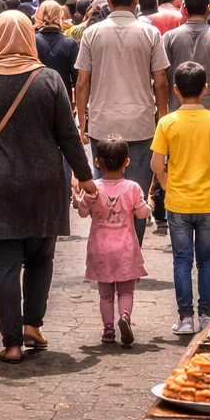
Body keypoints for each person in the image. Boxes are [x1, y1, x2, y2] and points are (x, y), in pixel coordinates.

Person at [0, 11, 96, 364]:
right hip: (44, 182)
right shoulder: (49, 80)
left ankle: (12, 343)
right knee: (40, 258)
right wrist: (84, 176)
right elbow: (68, 135)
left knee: (3, 266)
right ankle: (32, 324)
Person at [73, 0, 169, 246]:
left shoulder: (92, 33)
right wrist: (162, 118)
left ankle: (108, 250)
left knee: (104, 192)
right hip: (141, 124)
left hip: (102, 124)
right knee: (136, 192)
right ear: (136, 1)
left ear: (110, 1)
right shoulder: (150, 33)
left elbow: (82, 81)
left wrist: (82, 120)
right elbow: (160, 80)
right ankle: (132, 251)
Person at [152, 61, 210, 336]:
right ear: (205, 89)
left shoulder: (167, 122)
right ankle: (206, 316)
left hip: (178, 202)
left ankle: (185, 318)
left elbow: (155, 163)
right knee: (208, 260)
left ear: (175, 90)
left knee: (182, 260)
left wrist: (166, 184)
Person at [76, 136, 151, 346]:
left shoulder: (93, 188)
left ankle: (108, 330)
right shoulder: (133, 188)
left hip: (99, 249)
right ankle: (125, 317)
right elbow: (141, 213)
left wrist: (82, 202)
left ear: (97, 162)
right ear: (127, 162)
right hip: (126, 248)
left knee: (105, 295)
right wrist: (149, 206)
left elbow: (83, 213)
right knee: (126, 291)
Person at [161, 0, 210, 113]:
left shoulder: (169, 37)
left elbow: (161, 75)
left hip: (177, 108)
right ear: (208, 9)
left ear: (185, 9)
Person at [32, 1, 79, 97]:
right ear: (60, 16)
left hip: (36, 98)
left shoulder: (31, 40)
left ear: (39, 15)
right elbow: (77, 80)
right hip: (63, 98)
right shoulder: (70, 43)